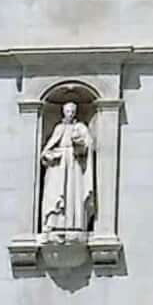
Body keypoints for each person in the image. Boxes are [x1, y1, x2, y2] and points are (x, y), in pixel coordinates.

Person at [38, 97, 98, 234]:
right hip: (59, 165)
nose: (70, 114)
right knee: (55, 192)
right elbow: (46, 150)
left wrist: (80, 143)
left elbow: (89, 145)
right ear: (63, 112)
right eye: (67, 111)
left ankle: (75, 222)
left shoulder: (80, 127)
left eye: (72, 111)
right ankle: (55, 222)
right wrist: (51, 155)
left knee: (74, 192)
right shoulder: (59, 128)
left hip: (74, 163)